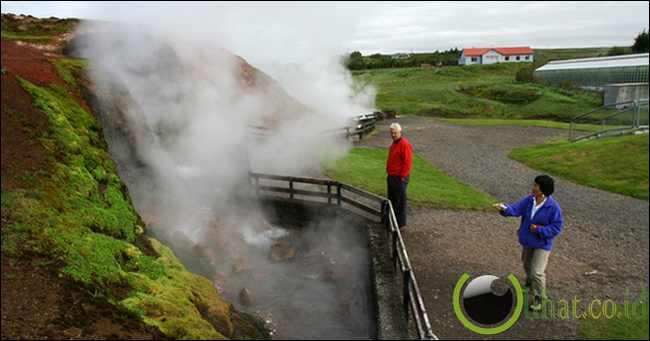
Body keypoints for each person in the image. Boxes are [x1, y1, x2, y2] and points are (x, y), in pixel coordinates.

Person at [494, 175, 564, 312]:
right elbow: (515, 209)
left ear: (543, 189)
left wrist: (539, 230)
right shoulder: (529, 200)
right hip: (528, 241)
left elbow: (557, 227)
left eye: (536, 186)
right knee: (527, 264)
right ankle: (530, 282)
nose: (533, 187)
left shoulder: (553, 207)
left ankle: (540, 298)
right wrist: (503, 208)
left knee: (537, 272)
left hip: (542, 244)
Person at [386, 122, 413, 229]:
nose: (393, 135)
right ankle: (392, 221)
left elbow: (407, 162)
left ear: (400, 132)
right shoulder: (394, 144)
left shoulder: (404, 145)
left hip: (399, 178)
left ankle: (399, 224)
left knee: (400, 201)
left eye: (395, 133)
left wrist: (402, 177)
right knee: (392, 200)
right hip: (392, 176)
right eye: (392, 133)